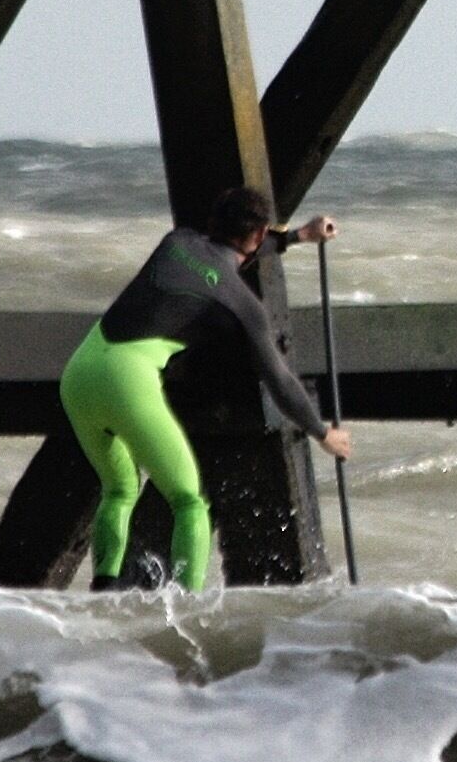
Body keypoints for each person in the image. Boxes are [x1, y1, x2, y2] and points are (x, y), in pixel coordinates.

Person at [60, 184, 352, 593]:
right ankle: (190, 605)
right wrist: (323, 433)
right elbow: (281, 381)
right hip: (127, 382)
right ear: (257, 234)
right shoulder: (241, 303)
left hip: (79, 373)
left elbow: (223, 256)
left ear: (215, 220)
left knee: (120, 488)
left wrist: (299, 236)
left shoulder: (177, 242)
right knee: (189, 500)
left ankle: (103, 591)